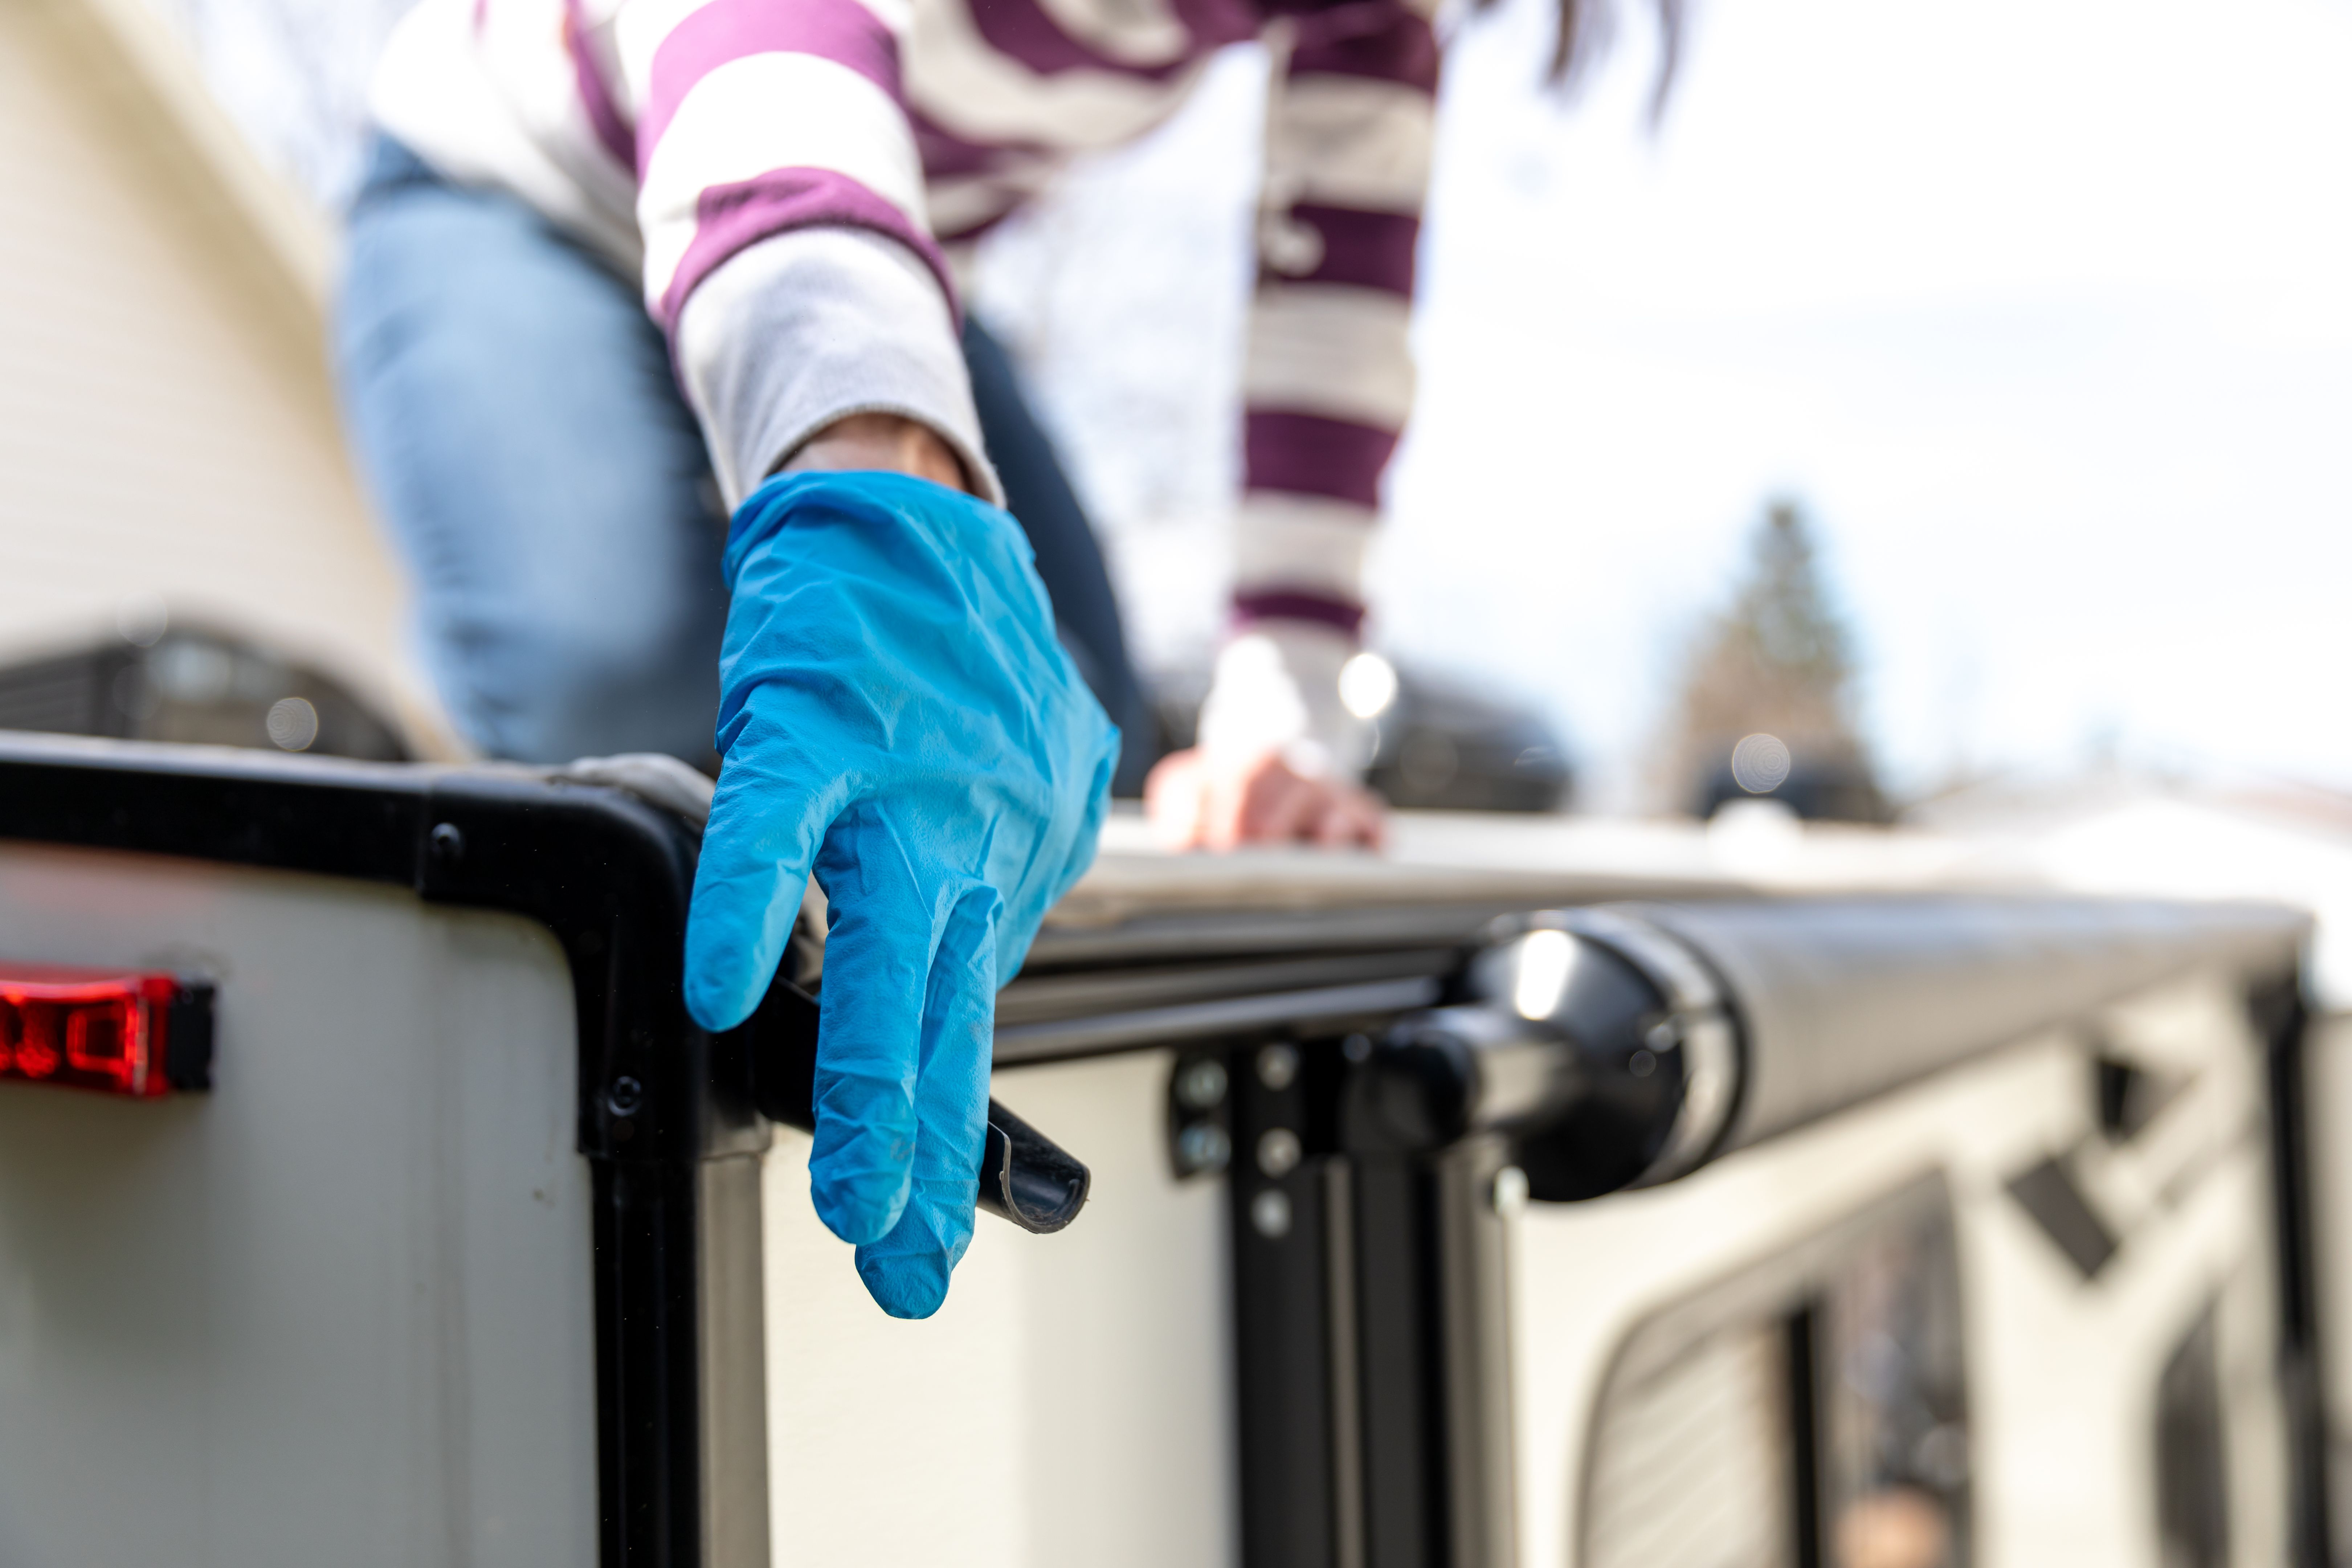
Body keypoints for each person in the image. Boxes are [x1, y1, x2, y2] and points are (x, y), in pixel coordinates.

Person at [334, 0, 1674, 1316]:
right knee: (621, 670)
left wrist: (1289, 712)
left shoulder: (1373, 21)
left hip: (888, 249)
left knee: (1072, 756)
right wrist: (871, 451)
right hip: (539, 198)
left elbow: (1330, 318)